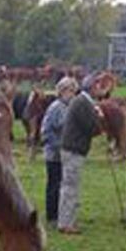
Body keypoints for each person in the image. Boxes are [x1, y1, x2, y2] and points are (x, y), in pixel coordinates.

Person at [57, 74, 104, 234]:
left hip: (71, 148)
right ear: (91, 87)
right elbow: (93, 128)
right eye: (97, 86)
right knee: (71, 187)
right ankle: (66, 224)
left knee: (68, 185)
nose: (100, 89)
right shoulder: (83, 103)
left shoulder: (83, 102)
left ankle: (66, 221)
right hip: (73, 149)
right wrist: (99, 117)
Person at [40, 77, 78, 225]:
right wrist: (57, 145)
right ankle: (52, 215)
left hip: (65, 152)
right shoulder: (56, 107)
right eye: (71, 91)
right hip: (54, 153)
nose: (73, 94)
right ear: (62, 91)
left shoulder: (68, 107)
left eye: (74, 91)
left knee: (62, 183)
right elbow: (46, 130)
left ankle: (60, 213)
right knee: (54, 184)